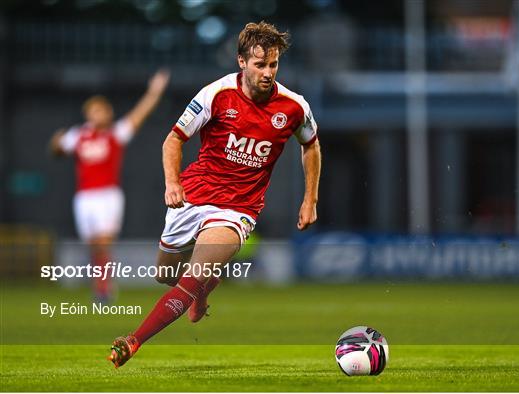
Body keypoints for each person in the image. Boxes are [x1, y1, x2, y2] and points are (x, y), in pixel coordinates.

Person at [107, 22, 321, 368]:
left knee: (191, 279)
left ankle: (133, 340)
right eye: (260, 64)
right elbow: (174, 139)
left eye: (274, 65)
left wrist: (310, 198)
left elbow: (311, 146)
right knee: (164, 276)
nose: (268, 73)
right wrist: (172, 183)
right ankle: (205, 286)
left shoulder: (294, 107)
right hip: (193, 195)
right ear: (241, 61)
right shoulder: (215, 95)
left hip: (237, 210)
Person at [49, 70, 170, 302]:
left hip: (107, 195)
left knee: (104, 242)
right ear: (88, 114)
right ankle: (100, 283)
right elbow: (56, 150)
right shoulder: (78, 136)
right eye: (94, 111)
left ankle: (104, 288)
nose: (98, 114)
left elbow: (139, 114)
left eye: (102, 110)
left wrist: (154, 92)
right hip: (84, 197)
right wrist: (55, 142)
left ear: (108, 112)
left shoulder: (115, 133)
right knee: (93, 245)